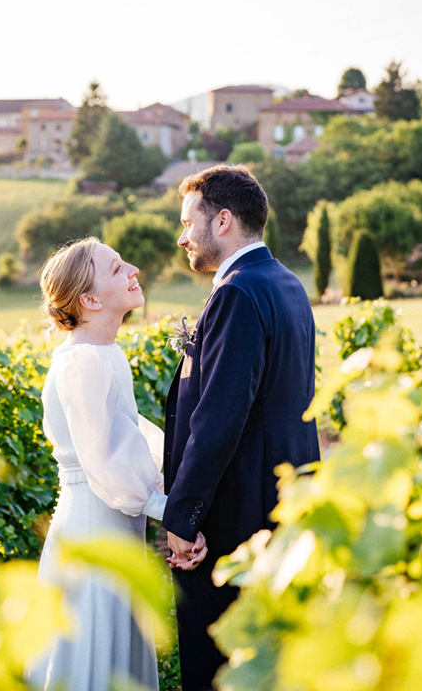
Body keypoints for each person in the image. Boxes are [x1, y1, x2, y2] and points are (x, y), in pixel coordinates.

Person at [162, 164, 320, 691]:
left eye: (189, 223)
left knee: (218, 664)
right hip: (280, 505)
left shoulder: (237, 292)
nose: (182, 237)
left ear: (223, 220)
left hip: (234, 518)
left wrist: (183, 518)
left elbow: (217, 420)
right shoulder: (287, 283)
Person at [26, 237, 206, 691]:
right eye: (115, 268)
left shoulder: (105, 354)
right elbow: (107, 464)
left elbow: (135, 439)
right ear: (89, 300)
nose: (134, 270)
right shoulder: (83, 361)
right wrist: (175, 514)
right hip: (93, 528)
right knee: (93, 658)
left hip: (113, 524)